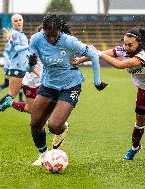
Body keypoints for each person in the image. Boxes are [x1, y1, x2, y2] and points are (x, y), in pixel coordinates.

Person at [73, 27, 145, 167]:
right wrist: (80, 60)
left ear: (139, 43)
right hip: (144, 90)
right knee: (140, 123)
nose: (126, 47)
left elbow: (120, 65)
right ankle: (135, 147)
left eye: (130, 45)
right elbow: (98, 54)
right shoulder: (124, 50)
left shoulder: (144, 55)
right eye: (125, 44)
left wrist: (99, 53)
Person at [26, 14, 107, 166]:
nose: (51, 38)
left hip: (70, 85)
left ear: (59, 30)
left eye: (54, 35)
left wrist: (97, 82)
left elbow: (94, 55)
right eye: (48, 35)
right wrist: (30, 63)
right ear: (43, 31)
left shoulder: (69, 42)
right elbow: (29, 68)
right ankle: (43, 156)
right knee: (35, 124)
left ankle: (63, 128)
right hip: (48, 84)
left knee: (54, 126)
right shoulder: (36, 39)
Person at [0, 13, 29, 127]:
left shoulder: (22, 35)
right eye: (15, 20)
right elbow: (17, 49)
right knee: (11, 95)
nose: (18, 22)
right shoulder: (15, 34)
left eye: (20, 20)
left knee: (32, 92)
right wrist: (30, 46)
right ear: (12, 23)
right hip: (16, 68)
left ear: (23, 21)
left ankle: (40, 118)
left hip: (23, 67)